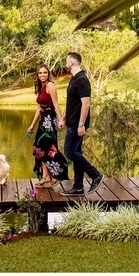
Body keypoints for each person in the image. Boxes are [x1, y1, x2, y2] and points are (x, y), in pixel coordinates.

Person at [60, 52, 104, 196]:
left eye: (67, 61)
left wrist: (81, 125)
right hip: (71, 122)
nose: (66, 63)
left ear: (72, 62)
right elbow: (71, 103)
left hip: (77, 124)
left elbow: (86, 104)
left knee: (69, 152)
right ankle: (78, 187)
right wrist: (63, 118)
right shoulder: (74, 79)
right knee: (76, 152)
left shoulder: (82, 80)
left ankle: (95, 175)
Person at [27, 65, 68, 187]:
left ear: (48, 74)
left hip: (50, 121)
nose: (42, 75)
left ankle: (57, 174)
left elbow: (56, 104)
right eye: (40, 73)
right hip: (42, 121)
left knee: (44, 147)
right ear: (37, 75)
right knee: (40, 149)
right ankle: (46, 176)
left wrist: (61, 120)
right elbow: (39, 109)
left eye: (45, 73)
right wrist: (32, 125)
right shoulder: (41, 87)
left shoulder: (51, 86)